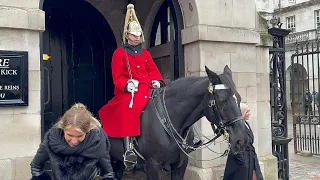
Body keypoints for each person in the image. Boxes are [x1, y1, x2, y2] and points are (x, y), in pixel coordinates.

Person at [98, 4, 164, 168]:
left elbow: (153, 70)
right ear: (127, 35)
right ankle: (129, 149)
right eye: (134, 35)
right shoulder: (119, 53)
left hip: (147, 87)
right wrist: (126, 85)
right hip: (130, 91)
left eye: (138, 35)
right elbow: (117, 76)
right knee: (130, 108)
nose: (137, 37)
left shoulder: (146, 53)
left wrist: (157, 80)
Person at [30, 103, 116, 180]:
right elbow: (36, 166)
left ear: (88, 131)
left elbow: (108, 174)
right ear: (62, 129)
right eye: (70, 135)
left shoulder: (97, 142)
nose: (74, 141)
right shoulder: (52, 139)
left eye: (80, 136)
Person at [223, 103, 264, 180]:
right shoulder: (236, 127)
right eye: (247, 112)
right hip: (241, 161)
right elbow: (234, 145)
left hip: (250, 157)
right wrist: (242, 161)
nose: (249, 113)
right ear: (242, 113)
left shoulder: (245, 123)